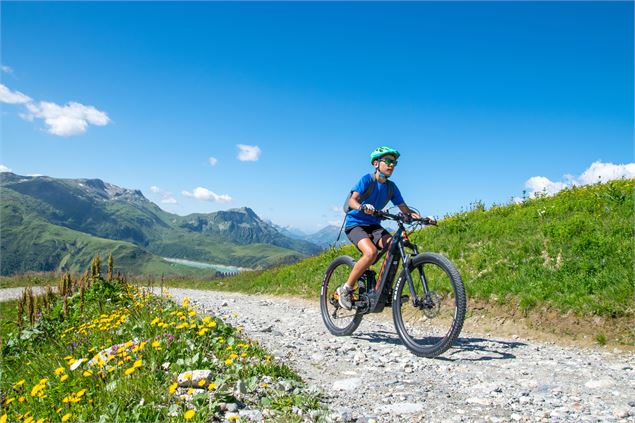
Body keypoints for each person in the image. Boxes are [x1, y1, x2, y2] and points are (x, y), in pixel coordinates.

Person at [337, 146, 433, 310]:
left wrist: (422, 218)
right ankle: (345, 290)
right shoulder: (367, 180)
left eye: (394, 162)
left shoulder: (391, 187)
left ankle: (384, 290)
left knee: (395, 245)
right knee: (371, 253)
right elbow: (352, 201)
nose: (391, 165)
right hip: (355, 224)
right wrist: (362, 207)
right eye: (387, 161)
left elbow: (404, 209)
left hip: (374, 225)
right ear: (376, 163)